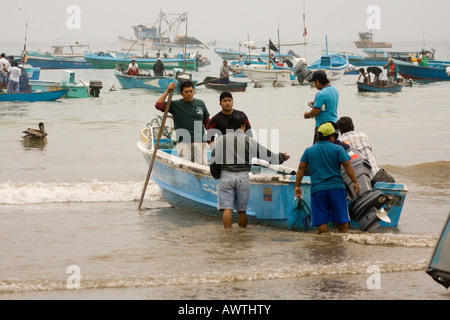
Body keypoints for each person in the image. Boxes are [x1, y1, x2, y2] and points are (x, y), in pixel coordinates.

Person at [210, 112, 290, 229]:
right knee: (242, 210)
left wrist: (217, 174)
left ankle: (227, 237)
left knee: (227, 209)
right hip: (243, 177)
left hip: (226, 175)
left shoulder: (222, 140)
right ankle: (243, 235)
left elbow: (214, 160)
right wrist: (281, 157)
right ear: (243, 126)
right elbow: (266, 155)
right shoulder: (249, 141)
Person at [294, 122, 360, 234]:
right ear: (331, 136)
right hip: (337, 189)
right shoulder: (338, 149)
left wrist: (297, 185)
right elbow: (347, 164)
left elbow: (301, 168)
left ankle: (324, 244)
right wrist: (354, 182)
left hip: (318, 190)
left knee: (321, 222)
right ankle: (342, 241)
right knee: (342, 219)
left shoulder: (309, 151)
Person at [155, 81, 210, 165]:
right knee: (185, 166)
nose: (189, 94)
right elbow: (158, 105)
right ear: (181, 93)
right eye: (186, 92)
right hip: (183, 143)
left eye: (191, 91)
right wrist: (167, 91)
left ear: (193, 91)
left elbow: (207, 122)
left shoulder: (200, 103)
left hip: (200, 142)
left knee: (201, 167)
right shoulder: (175, 105)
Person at [336, 116, 395, 186]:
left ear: (340, 131)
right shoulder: (363, 136)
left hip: (361, 180)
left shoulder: (341, 142)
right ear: (352, 126)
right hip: (377, 175)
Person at [304, 70, 339, 144]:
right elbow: (327, 105)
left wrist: (308, 115)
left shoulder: (321, 94)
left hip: (323, 128)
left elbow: (315, 112)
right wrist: (315, 103)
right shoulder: (335, 90)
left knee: (318, 152)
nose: (314, 85)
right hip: (334, 126)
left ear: (317, 81)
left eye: (314, 83)